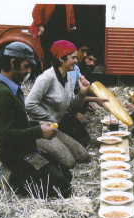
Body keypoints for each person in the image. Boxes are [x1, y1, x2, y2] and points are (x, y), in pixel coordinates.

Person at [0, 42, 72, 198]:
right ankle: (10, 176)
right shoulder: (2, 94)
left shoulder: (11, 87)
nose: (29, 71)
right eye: (26, 66)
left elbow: (18, 124)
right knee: (62, 190)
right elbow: (5, 136)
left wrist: (39, 124)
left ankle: (21, 175)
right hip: (15, 156)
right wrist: (39, 131)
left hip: (25, 150)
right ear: (12, 63)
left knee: (66, 175)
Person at [25, 40, 90, 169]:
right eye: (73, 58)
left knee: (83, 156)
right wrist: (50, 118)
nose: (76, 60)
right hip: (38, 128)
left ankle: (49, 149)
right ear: (61, 59)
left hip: (54, 128)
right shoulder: (46, 78)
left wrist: (82, 93)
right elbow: (29, 104)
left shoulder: (69, 79)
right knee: (69, 162)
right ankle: (32, 149)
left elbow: (71, 110)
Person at [29, 4, 77, 70]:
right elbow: (36, 11)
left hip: (62, 33)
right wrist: (40, 27)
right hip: (48, 33)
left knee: (61, 59)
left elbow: (71, 14)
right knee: (48, 59)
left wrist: (73, 27)